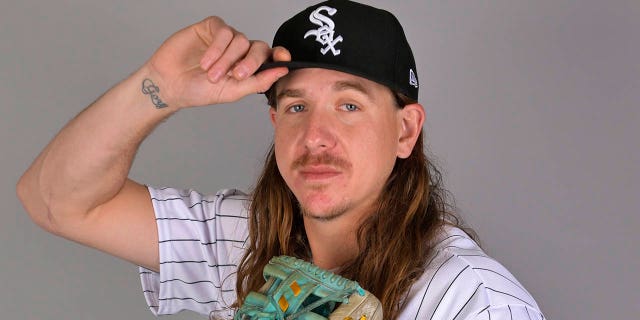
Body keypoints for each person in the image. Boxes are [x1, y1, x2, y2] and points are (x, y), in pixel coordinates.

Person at [16, 0, 545, 319]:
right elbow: (56, 201)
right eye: (296, 105)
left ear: (405, 130)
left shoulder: (474, 299)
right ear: (275, 122)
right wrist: (160, 88)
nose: (316, 135)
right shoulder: (243, 239)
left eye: (349, 104)